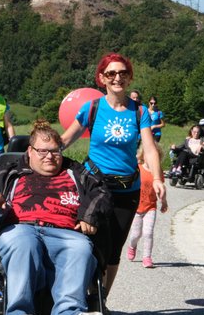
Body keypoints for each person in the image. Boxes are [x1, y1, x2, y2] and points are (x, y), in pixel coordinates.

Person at [0, 120, 111, 315]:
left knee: (80, 247)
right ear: (30, 151)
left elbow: (102, 193)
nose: (49, 156)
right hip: (22, 228)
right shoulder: (10, 171)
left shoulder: (75, 171)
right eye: (42, 151)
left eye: (55, 151)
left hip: (66, 232)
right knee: (23, 243)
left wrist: (89, 215)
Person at [61, 52, 165, 295]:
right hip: (94, 187)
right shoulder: (92, 108)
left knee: (114, 250)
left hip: (126, 191)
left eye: (122, 73)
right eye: (111, 73)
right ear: (102, 78)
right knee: (88, 243)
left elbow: (149, 148)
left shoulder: (139, 112)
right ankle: (80, 294)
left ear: (129, 78)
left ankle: (101, 301)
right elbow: (66, 139)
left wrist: (158, 178)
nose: (117, 77)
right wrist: (37, 152)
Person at [127, 145, 168, 268]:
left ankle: (147, 257)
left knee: (148, 233)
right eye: (148, 154)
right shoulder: (138, 169)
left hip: (151, 207)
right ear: (143, 155)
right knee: (135, 234)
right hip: (136, 208)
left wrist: (164, 201)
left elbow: (161, 188)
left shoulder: (158, 172)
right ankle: (132, 246)